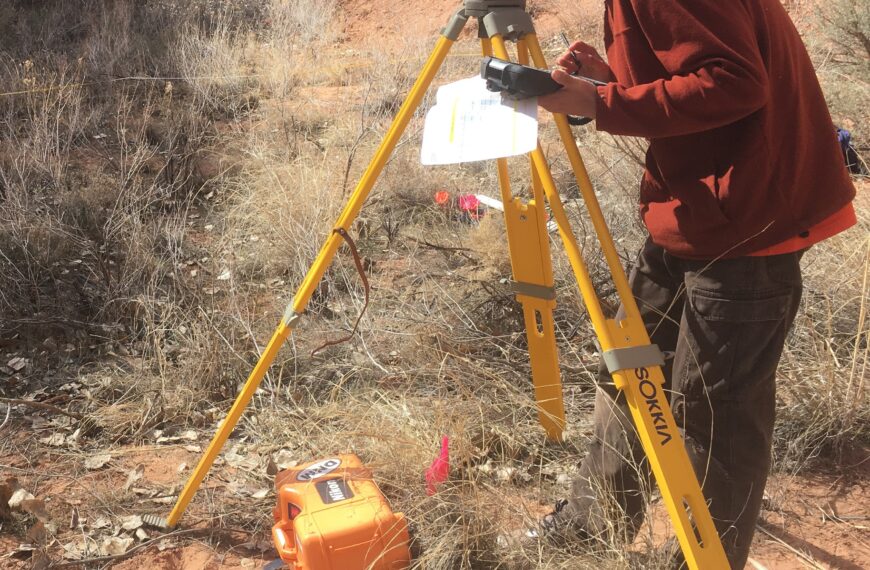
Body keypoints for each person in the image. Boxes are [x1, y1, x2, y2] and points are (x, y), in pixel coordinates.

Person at [536, 0, 857, 568]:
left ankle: (704, 559)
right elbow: (694, 65)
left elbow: (735, 82)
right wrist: (615, 83)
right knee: (632, 371)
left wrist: (601, 102)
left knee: (715, 410)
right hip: (695, 210)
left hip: (747, 222)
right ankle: (590, 529)